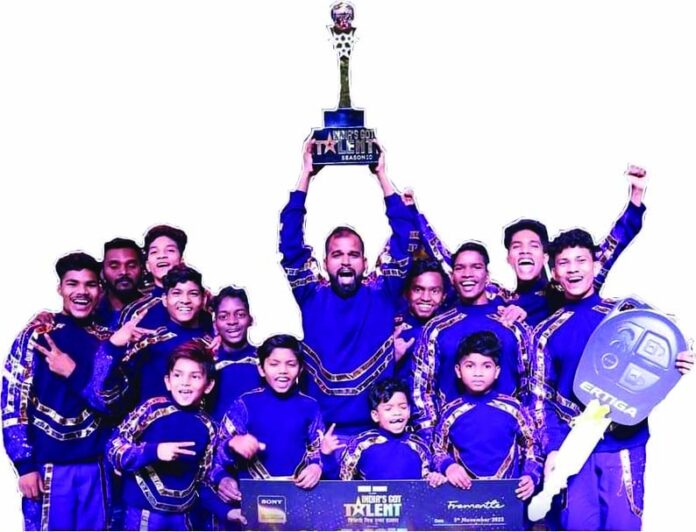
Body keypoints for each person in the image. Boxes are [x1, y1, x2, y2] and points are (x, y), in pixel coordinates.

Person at [530, 228, 694, 530]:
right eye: (564, 262)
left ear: (595, 265)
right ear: (554, 272)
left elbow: (669, 343)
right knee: (575, 526)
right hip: (571, 449)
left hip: (623, 442)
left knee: (623, 525)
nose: (573, 269)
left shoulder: (628, 314)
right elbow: (540, 399)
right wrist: (551, 448)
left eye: (581, 260)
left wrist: (683, 358)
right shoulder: (544, 332)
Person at [278, 140, 416, 438]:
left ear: (365, 263)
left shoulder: (383, 293)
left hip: (378, 432)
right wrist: (305, 175)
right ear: (325, 262)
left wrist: (382, 175)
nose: (345, 261)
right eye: (337, 254)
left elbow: (406, 239)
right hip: (322, 436)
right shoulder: (310, 295)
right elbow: (290, 245)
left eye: (353, 255)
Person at [1, 253, 113, 531]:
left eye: (90, 284)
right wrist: (24, 465)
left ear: (100, 290)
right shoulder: (36, 334)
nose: (81, 292)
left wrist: (72, 371)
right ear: (60, 288)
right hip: (46, 468)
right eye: (72, 283)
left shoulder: (108, 340)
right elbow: (12, 401)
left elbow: (114, 402)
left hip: (97, 468)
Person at [412, 242, 530, 436]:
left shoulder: (512, 324)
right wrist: (434, 441)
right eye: (460, 268)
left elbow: (532, 388)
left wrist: (525, 437)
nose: (467, 274)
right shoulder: (436, 329)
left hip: (507, 439)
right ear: (452, 277)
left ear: (487, 275)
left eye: (476, 267)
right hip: (452, 441)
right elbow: (421, 391)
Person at [208, 335, 324, 526]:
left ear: (301, 369)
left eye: (291, 364)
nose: (283, 370)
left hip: (298, 501)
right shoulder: (244, 404)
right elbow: (215, 458)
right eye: (274, 364)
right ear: (261, 369)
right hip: (251, 503)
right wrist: (225, 470)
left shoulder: (310, 406)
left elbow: (317, 449)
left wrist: (316, 466)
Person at [107, 340, 217, 531]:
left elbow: (206, 478)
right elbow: (113, 448)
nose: (185, 382)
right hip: (142, 513)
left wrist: (227, 510)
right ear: (167, 381)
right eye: (178, 375)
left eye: (195, 376)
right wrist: (154, 451)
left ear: (208, 385)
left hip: (184, 517)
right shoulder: (151, 409)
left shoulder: (209, 426)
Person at [432, 331, 542, 501]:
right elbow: (437, 451)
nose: (478, 373)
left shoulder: (514, 408)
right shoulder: (449, 412)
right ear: (458, 371)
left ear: (497, 371)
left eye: (486, 366)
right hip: (462, 498)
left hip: (509, 498)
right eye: (470, 366)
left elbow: (532, 446)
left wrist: (531, 476)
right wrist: (449, 466)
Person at [98, 265, 212, 413]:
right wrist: (112, 346)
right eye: (176, 293)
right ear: (164, 299)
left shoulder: (213, 346)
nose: (185, 300)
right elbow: (106, 395)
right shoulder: (147, 344)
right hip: (149, 426)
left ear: (203, 299)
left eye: (193, 293)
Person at [331, 378, 445, 486]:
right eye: (388, 409)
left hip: (412, 500)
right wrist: (327, 458)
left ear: (409, 410)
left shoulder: (420, 445)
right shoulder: (359, 444)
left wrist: (435, 478)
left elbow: (427, 483)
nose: (397, 413)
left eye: (403, 407)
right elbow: (342, 484)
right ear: (375, 415)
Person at [208, 286, 260, 422]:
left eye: (240, 314)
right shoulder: (207, 360)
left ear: (251, 319)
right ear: (215, 324)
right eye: (223, 316)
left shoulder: (264, 359)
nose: (232, 321)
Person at [393, 259, 448, 383]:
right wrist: (390, 358)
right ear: (407, 293)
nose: (425, 298)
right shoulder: (392, 329)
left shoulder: (449, 330)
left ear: (443, 296)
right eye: (418, 289)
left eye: (434, 291)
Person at [95, 237, 145, 330]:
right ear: (102, 272)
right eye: (114, 266)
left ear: (142, 269)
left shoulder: (153, 309)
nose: (123, 272)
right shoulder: (91, 313)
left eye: (131, 265)